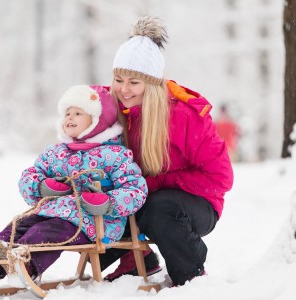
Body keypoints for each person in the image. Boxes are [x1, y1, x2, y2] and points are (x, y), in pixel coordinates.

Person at [99, 16, 234, 287]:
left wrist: (157, 183)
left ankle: (191, 275)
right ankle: (137, 259)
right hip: (138, 197)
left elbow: (221, 178)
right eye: (118, 79)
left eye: (134, 83)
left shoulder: (183, 116)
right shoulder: (111, 109)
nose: (124, 90)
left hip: (195, 204)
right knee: (92, 208)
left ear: (151, 84)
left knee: (157, 208)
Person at [0, 85, 148, 286]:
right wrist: (41, 186)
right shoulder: (56, 153)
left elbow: (135, 189)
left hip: (92, 221)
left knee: (45, 233)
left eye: (78, 113)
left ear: (99, 121)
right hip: (50, 211)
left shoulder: (115, 155)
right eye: (67, 113)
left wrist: (108, 202)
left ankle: (26, 265)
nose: (70, 117)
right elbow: (30, 175)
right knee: (20, 225)